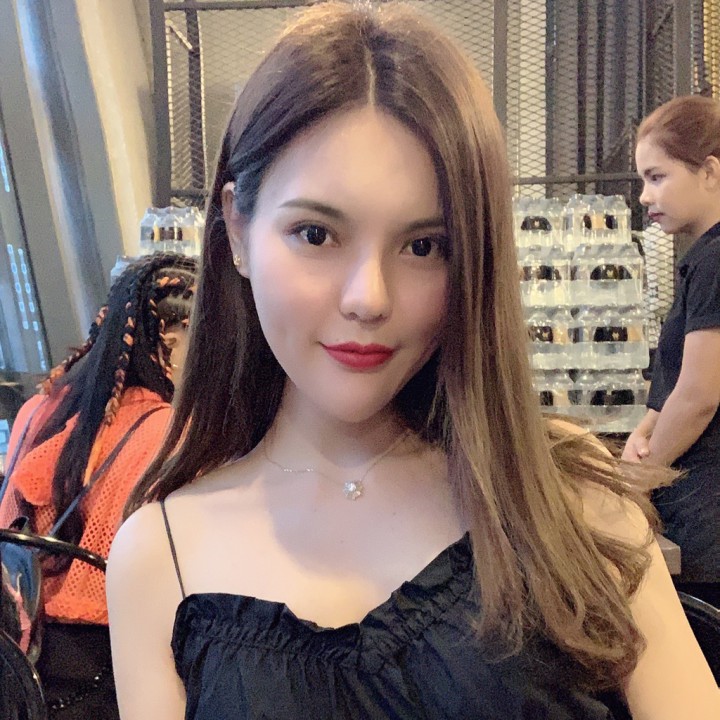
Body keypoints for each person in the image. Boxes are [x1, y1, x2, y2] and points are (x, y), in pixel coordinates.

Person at [107, 5, 719, 719]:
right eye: (316, 233)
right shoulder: (161, 556)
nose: (369, 298)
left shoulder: (571, 502)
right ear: (237, 227)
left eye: (424, 246)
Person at [0, 252, 197, 719]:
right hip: (100, 662)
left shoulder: (39, 407)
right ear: (170, 344)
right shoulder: (169, 431)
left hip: (18, 642)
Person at [623, 95, 720, 609]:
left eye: (657, 177)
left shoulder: (715, 261)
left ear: (709, 172)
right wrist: (643, 431)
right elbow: (676, 386)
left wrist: (638, 479)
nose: (644, 195)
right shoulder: (702, 259)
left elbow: (700, 394)